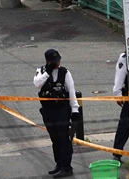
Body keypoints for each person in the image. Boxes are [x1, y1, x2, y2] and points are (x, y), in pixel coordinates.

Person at [33, 48, 79, 177]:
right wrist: (47, 71)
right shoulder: (41, 71)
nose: (57, 63)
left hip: (62, 109)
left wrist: (75, 110)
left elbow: (71, 91)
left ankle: (66, 167)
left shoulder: (65, 73)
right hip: (48, 110)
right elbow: (37, 84)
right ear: (47, 61)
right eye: (54, 61)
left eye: (58, 60)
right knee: (55, 138)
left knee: (64, 138)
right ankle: (59, 163)